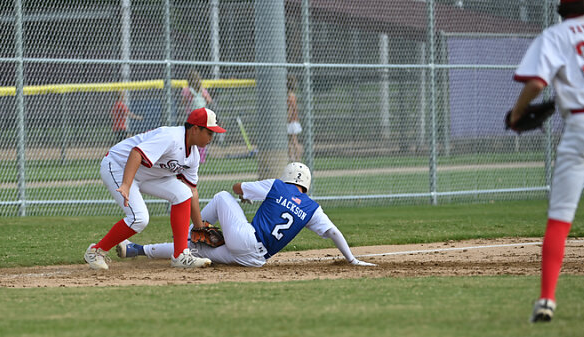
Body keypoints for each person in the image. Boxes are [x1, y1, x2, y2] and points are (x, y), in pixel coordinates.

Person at [508, 0, 584, 322]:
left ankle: (547, 300)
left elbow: (536, 82)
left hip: (582, 124)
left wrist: (517, 113)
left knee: (560, 214)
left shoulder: (556, 34)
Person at [115, 162, 377, 268]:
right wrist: (352, 259)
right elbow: (333, 232)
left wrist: (246, 194)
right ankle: (136, 250)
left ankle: (191, 229)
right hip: (255, 260)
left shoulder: (277, 186)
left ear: (287, 177)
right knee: (194, 252)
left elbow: (237, 188)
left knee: (221, 196)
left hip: (245, 239)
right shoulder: (311, 208)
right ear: (306, 185)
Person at [84, 107, 226, 270]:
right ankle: (95, 251)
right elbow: (136, 153)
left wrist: (199, 226)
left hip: (145, 174)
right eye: (209, 132)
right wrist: (126, 185)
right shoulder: (172, 137)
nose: (211, 137)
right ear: (195, 129)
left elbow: (192, 191)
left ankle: (181, 256)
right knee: (139, 219)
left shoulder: (193, 156)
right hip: (118, 166)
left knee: (183, 193)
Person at [181, 70, 214, 164]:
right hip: (203, 116)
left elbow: (183, 101)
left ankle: (191, 157)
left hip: (192, 116)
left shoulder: (187, 90)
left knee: (191, 137)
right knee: (202, 136)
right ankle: (201, 158)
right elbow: (209, 100)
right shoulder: (202, 90)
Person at [287, 74, 303, 161]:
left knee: (293, 140)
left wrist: (288, 119)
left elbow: (290, 109)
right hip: (293, 120)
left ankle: (296, 157)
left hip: (291, 121)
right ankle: (292, 157)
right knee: (291, 140)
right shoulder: (293, 96)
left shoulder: (290, 97)